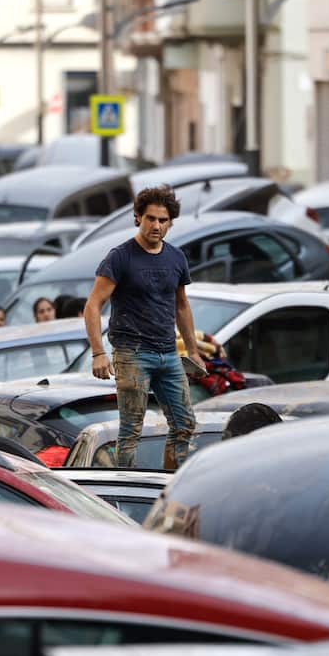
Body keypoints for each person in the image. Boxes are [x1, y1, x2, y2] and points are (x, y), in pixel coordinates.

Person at [85, 184, 203, 469]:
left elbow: (182, 306)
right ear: (138, 217)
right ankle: (124, 496)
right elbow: (92, 305)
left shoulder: (176, 257)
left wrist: (193, 351)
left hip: (168, 353)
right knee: (130, 432)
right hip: (132, 353)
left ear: (170, 223)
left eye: (163, 220)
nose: (156, 225)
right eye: (151, 218)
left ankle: (168, 487)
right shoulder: (121, 257)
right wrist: (98, 352)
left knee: (185, 424)